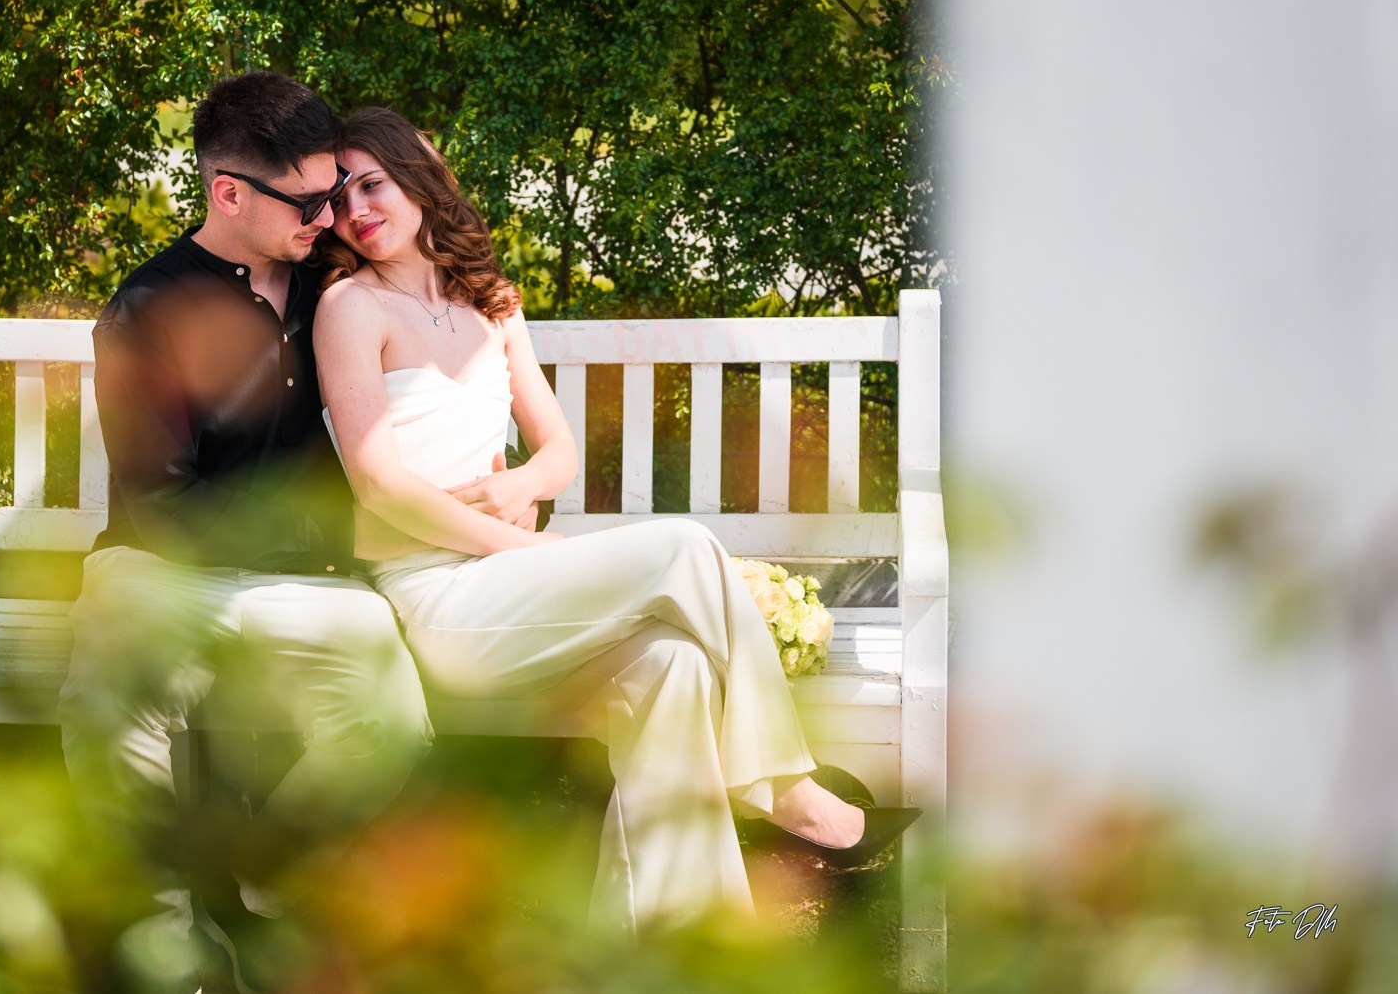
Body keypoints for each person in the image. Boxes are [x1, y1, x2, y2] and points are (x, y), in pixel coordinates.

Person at [312, 106, 919, 938]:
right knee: (686, 545)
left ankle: (670, 942)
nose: (355, 210)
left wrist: (523, 483)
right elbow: (379, 486)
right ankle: (786, 789)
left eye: (371, 184)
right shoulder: (349, 307)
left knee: (674, 666)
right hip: (438, 603)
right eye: (339, 197)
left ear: (416, 177)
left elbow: (558, 450)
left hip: (515, 585)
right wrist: (518, 541)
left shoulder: (490, 303)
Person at [59, 75, 434, 986]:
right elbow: (162, 503)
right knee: (111, 683)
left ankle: (261, 895)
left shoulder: (333, 290)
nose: (329, 217)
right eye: (307, 203)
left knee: (393, 716)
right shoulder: (148, 310)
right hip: (163, 567)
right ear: (228, 193)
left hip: (309, 581)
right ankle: (161, 941)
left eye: (332, 194)